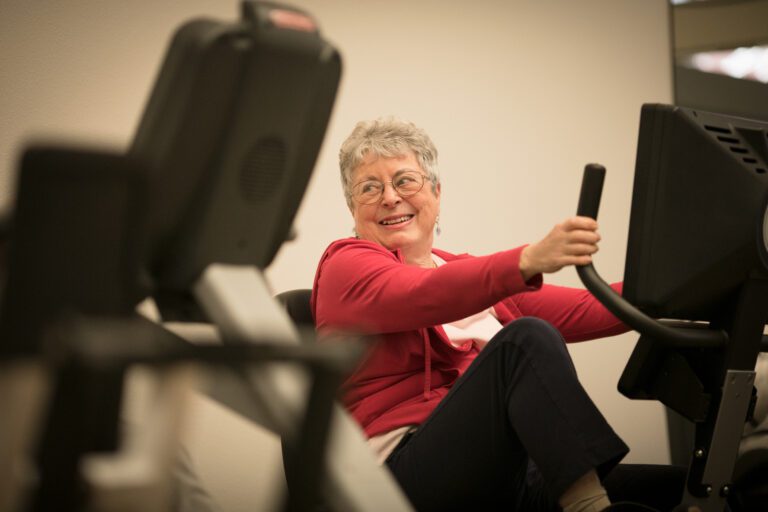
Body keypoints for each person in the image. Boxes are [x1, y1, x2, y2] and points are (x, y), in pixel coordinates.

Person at [311, 118, 685, 512]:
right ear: (353, 209)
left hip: (501, 473)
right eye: (369, 188)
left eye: (405, 181)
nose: (389, 197)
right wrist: (526, 261)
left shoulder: (467, 275)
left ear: (436, 194)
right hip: (396, 480)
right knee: (525, 341)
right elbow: (423, 294)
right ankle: (590, 508)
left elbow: (593, 309)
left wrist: (691, 283)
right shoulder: (346, 265)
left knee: (677, 489)